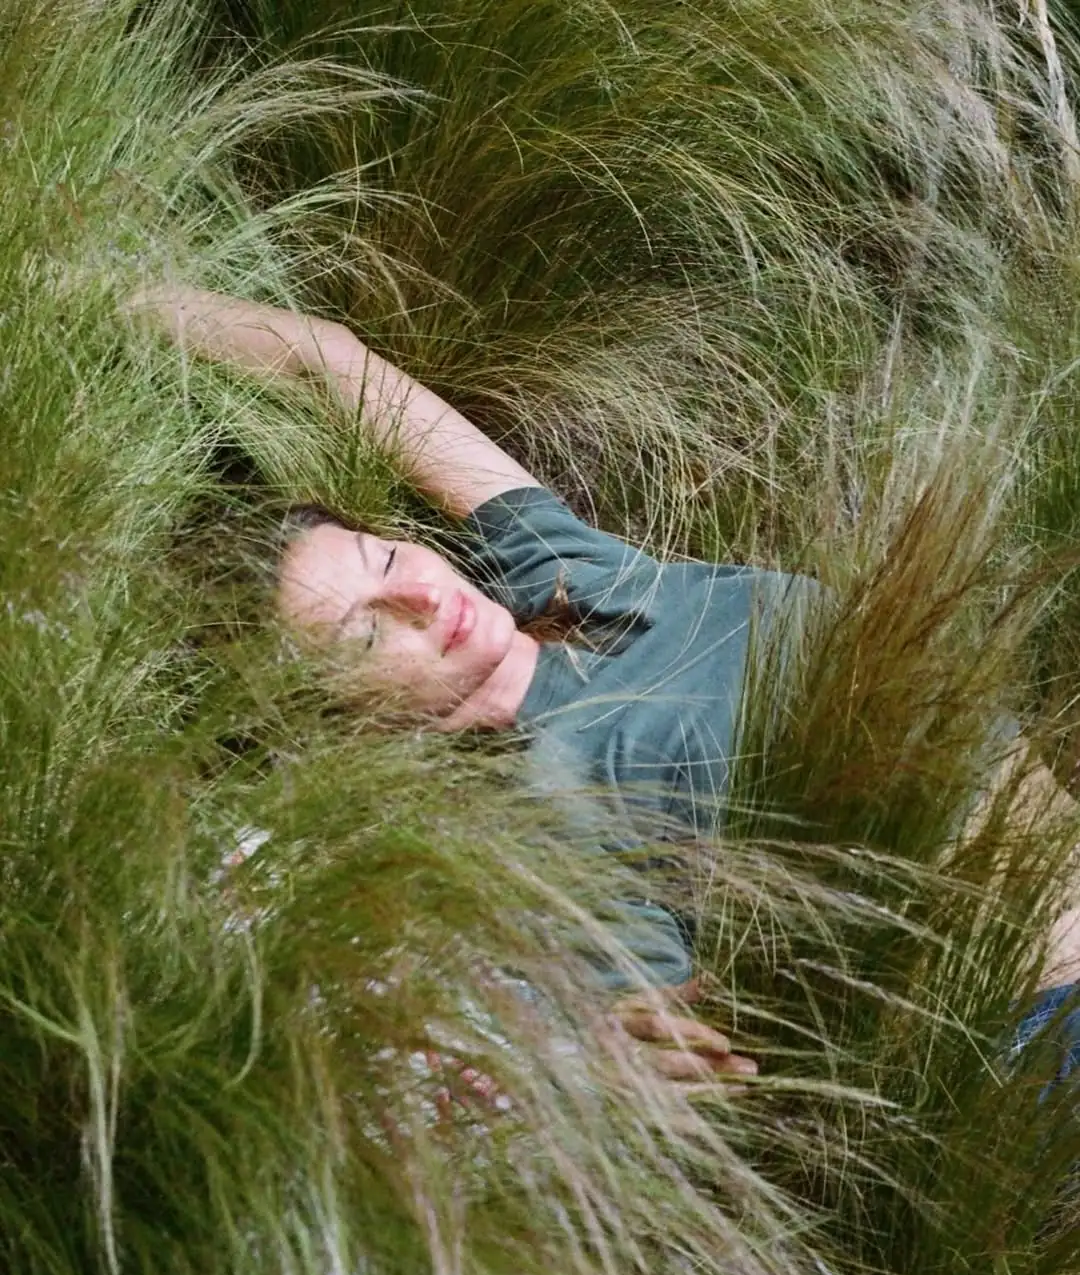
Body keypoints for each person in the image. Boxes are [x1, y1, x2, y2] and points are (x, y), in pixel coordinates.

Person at [127, 285, 1080, 1090]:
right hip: (1048, 1017)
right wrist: (615, 1044)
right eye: (369, 629)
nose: (420, 596)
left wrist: (84, 283)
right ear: (339, 718)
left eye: (385, 557)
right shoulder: (534, 816)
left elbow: (327, 361)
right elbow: (683, 1046)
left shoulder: (561, 568)